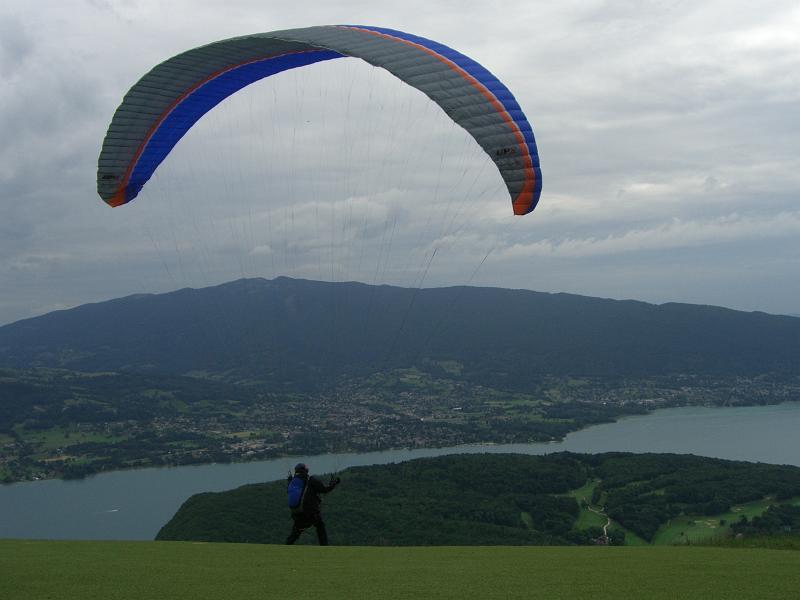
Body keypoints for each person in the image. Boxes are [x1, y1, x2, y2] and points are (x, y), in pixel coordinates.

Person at [285, 463, 340, 545]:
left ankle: (286, 546)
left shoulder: (292, 482)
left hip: (296, 514)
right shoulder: (311, 480)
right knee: (320, 526)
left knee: (296, 531)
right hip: (310, 513)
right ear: (305, 470)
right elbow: (324, 489)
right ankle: (325, 547)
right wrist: (333, 484)